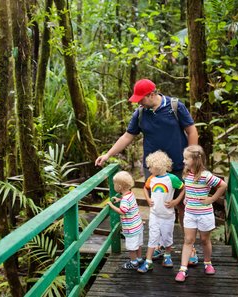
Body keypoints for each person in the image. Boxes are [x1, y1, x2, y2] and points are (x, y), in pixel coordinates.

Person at [95, 78, 199, 260]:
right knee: (157, 206)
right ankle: (159, 245)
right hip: (153, 170)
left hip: (178, 166)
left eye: (141, 98)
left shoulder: (175, 106)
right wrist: (108, 154)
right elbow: (128, 136)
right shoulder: (141, 113)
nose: (139, 103)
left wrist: (192, 160)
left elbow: (192, 131)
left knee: (183, 206)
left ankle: (189, 248)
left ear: (152, 95)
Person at [175, 145, 227, 282]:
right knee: (188, 240)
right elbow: (188, 187)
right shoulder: (186, 173)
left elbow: (223, 185)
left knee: (205, 240)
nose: (184, 161)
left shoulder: (206, 175)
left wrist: (212, 199)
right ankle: (182, 269)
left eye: (186, 158)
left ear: (196, 160)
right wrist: (187, 198)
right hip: (190, 213)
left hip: (205, 214)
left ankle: (207, 263)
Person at [137, 151, 185, 273]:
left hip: (168, 215)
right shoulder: (151, 179)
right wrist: (148, 199)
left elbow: (183, 187)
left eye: (150, 167)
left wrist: (176, 201)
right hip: (154, 214)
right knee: (153, 237)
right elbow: (145, 188)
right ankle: (148, 262)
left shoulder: (172, 178)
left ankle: (167, 256)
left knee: (167, 236)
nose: (149, 169)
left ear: (157, 166)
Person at [107, 171, 144, 269]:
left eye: (114, 184)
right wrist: (119, 200)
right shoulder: (130, 194)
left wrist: (111, 205)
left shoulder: (125, 200)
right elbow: (128, 204)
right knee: (138, 244)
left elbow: (122, 211)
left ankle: (134, 262)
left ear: (119, 187)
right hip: (138, 226)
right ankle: (139, 259)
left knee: (132, 248)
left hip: (131, 228)